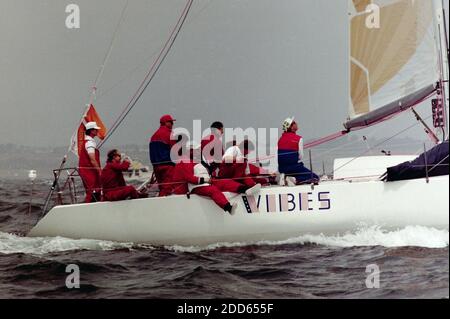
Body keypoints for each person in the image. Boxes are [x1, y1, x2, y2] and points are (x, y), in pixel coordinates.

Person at [171, 143, 239, 215]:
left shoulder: (189, 161)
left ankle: (243, 189)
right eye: (197, 150)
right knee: (213, 190)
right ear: (190, 151)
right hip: (186, 191)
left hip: (191, 188)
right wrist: (205, 180)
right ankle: (228, 208)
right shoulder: (185, 162)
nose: (199, 151)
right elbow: (189, 178)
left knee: (222, 184)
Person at [277, 117, 319, 184]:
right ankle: (295, 179)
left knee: (297, 169)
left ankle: (286, 177)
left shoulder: (280, 139)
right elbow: (301, 156)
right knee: (315, 178)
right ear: (291, 127)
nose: (296, 123)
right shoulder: (298, 139)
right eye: (294, 123)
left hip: (282, 169)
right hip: (294, 168)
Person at [149, 114, 177, 196]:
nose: (172, 124)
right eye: (171, 122)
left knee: (162, 187)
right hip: (167, 165)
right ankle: (162, 206)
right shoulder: (170, 134)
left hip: (156, 166)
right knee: (168, 188)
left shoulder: (153, 136)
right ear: (166, 123)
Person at [78, 121, 102, 203]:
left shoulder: (86, 142)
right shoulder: (90, 143)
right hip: (89, 171)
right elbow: (92, 158)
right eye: (95, 129)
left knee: (91, 190)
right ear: (91, 131)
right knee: (92, 190)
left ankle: (91, 203)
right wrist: (99, 171)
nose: (97, 131)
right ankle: (90, 205)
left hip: (86, 171)